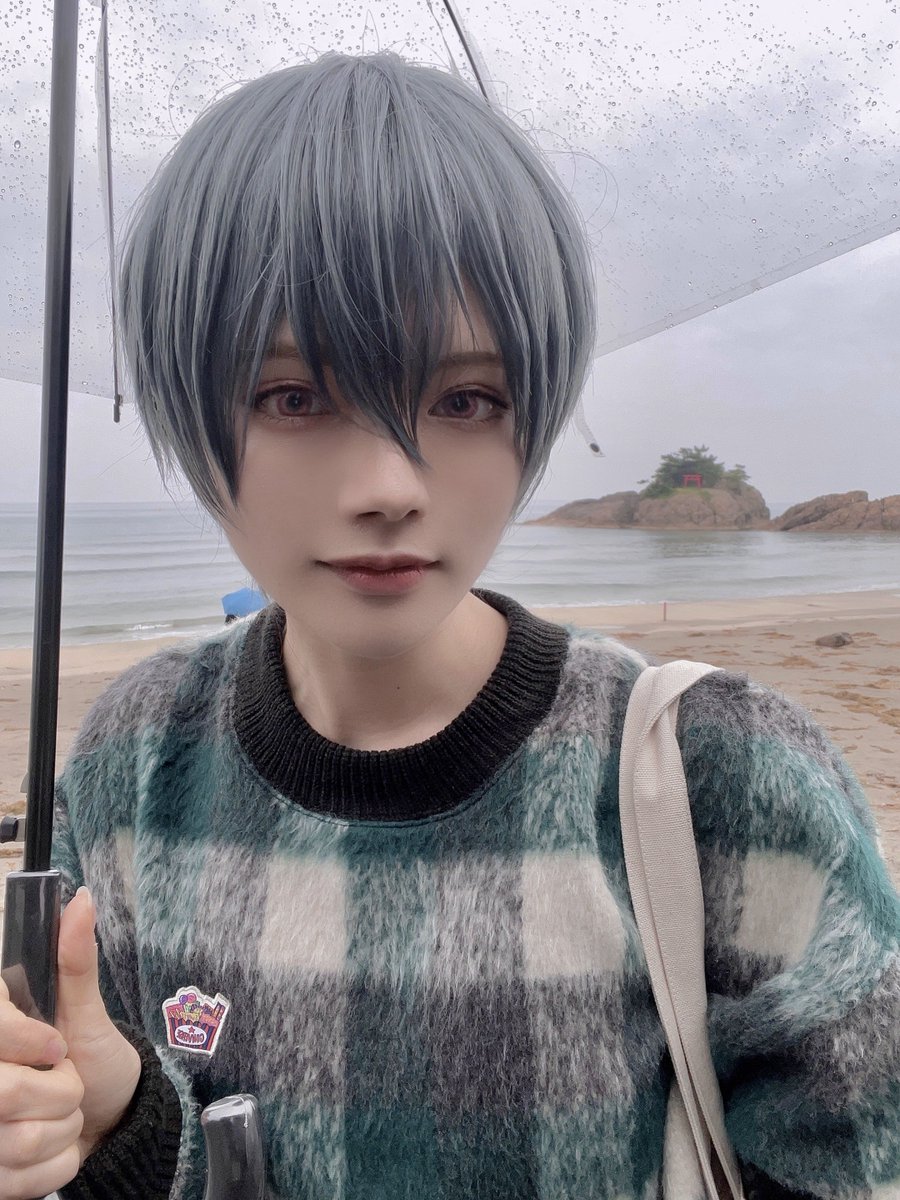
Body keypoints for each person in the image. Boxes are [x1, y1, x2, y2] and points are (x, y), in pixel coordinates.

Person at [0, 50, 897, 1200]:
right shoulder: (132, 759)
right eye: (293, 396)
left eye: (466, 399)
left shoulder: (722, 775)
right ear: (188, 402)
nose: (389, 484)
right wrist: (107, 1129)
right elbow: (124, 1128)